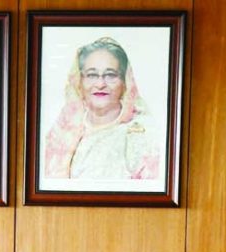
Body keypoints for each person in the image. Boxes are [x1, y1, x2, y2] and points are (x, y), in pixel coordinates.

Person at [43, 36, 160, 180]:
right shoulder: (62, 132)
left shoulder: (141, 134)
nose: (100, 84)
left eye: (110, 75)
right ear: (80, 81)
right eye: (92, 75)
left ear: (125, 82)